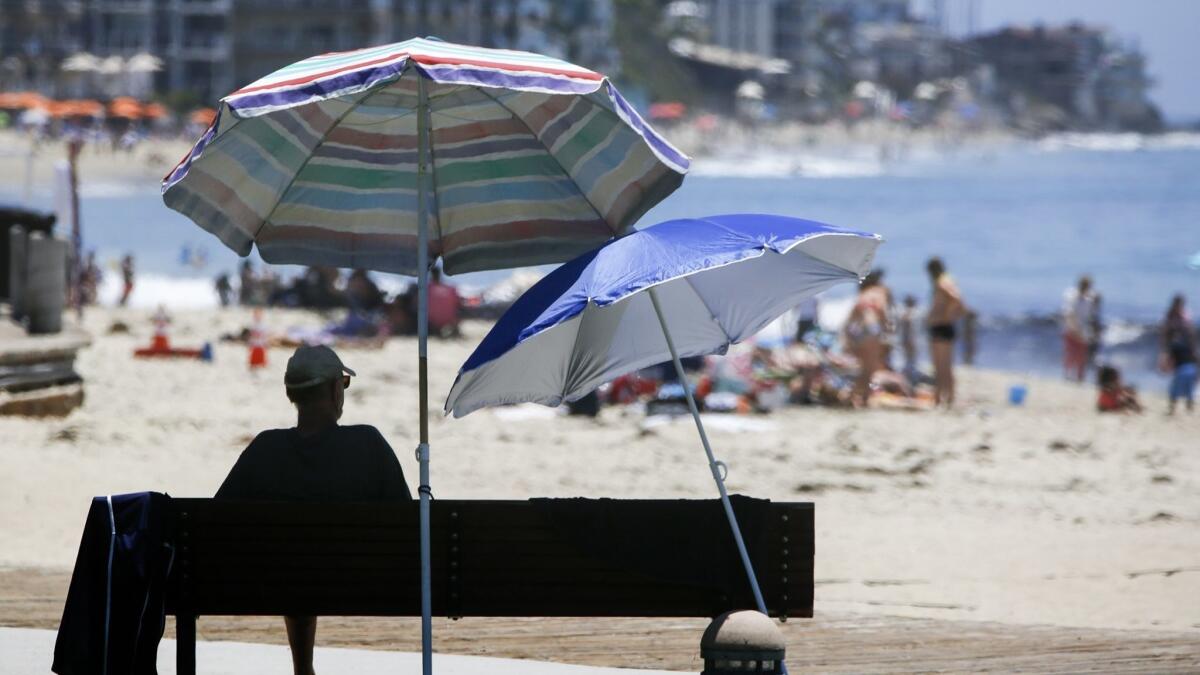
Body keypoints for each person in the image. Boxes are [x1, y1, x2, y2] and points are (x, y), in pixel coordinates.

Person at [216, 345, 411, 675]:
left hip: (275, 584)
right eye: (344, 384)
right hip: (363, 585)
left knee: (295, 567)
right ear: (336, 390)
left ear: (291, 393)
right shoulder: (368, 444)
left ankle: (302, 668)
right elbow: (406, 523)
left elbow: (216, 522)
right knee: (303, 567)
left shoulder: (265, 449)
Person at [843, 270, 890, 407]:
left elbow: (849, 321)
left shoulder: (862, 296)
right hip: (872, 330)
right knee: (871, 368)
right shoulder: (878, 292)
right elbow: (882, 312)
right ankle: (864, 398)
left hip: (859, 333)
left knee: (863, 368)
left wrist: (848, 340)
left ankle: (853, 396)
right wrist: (887, 330)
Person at [926, 257, 966, 407]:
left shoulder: (942, 282)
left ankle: (942, 398)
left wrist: (946, 315)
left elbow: (957, 300)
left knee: (940, 366)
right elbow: (958, 303)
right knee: (945, 366)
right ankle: (946, 398)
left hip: (941, 327)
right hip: (944, 326)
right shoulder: (948, 279)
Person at [1161, 294, 1196, 414]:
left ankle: (1188, 406)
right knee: (1179, 382)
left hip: (1183, 347)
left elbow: (1190, 332)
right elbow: (1165, 332)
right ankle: (1178, 406)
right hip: (1175, 346)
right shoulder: (1170, 315)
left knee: (1186, 383)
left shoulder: (1185, 315)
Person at [1061, 276, 1096, 382]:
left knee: (1082, 354)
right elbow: (1069, 314)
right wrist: (1074, 329)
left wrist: (1089, 331)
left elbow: (1090, 317)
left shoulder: (1089, 300)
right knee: (1071, 353)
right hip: (1070, 328)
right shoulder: (1071, 296)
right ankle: (1067, 375)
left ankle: (1080, 377)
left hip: (1083, 329)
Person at [427, 267, 461, 337]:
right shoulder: (450, 289)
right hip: (449, 320)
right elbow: (459, 304)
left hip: (431, 321)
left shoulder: (426, 289)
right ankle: (453, 329)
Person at [898, 295, 919, 382]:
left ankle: (909, 373)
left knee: (909, 357)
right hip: (909, 339)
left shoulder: (905, 314)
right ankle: (909, 374)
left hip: (906, 338)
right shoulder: (909, 314)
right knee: (910, 357)